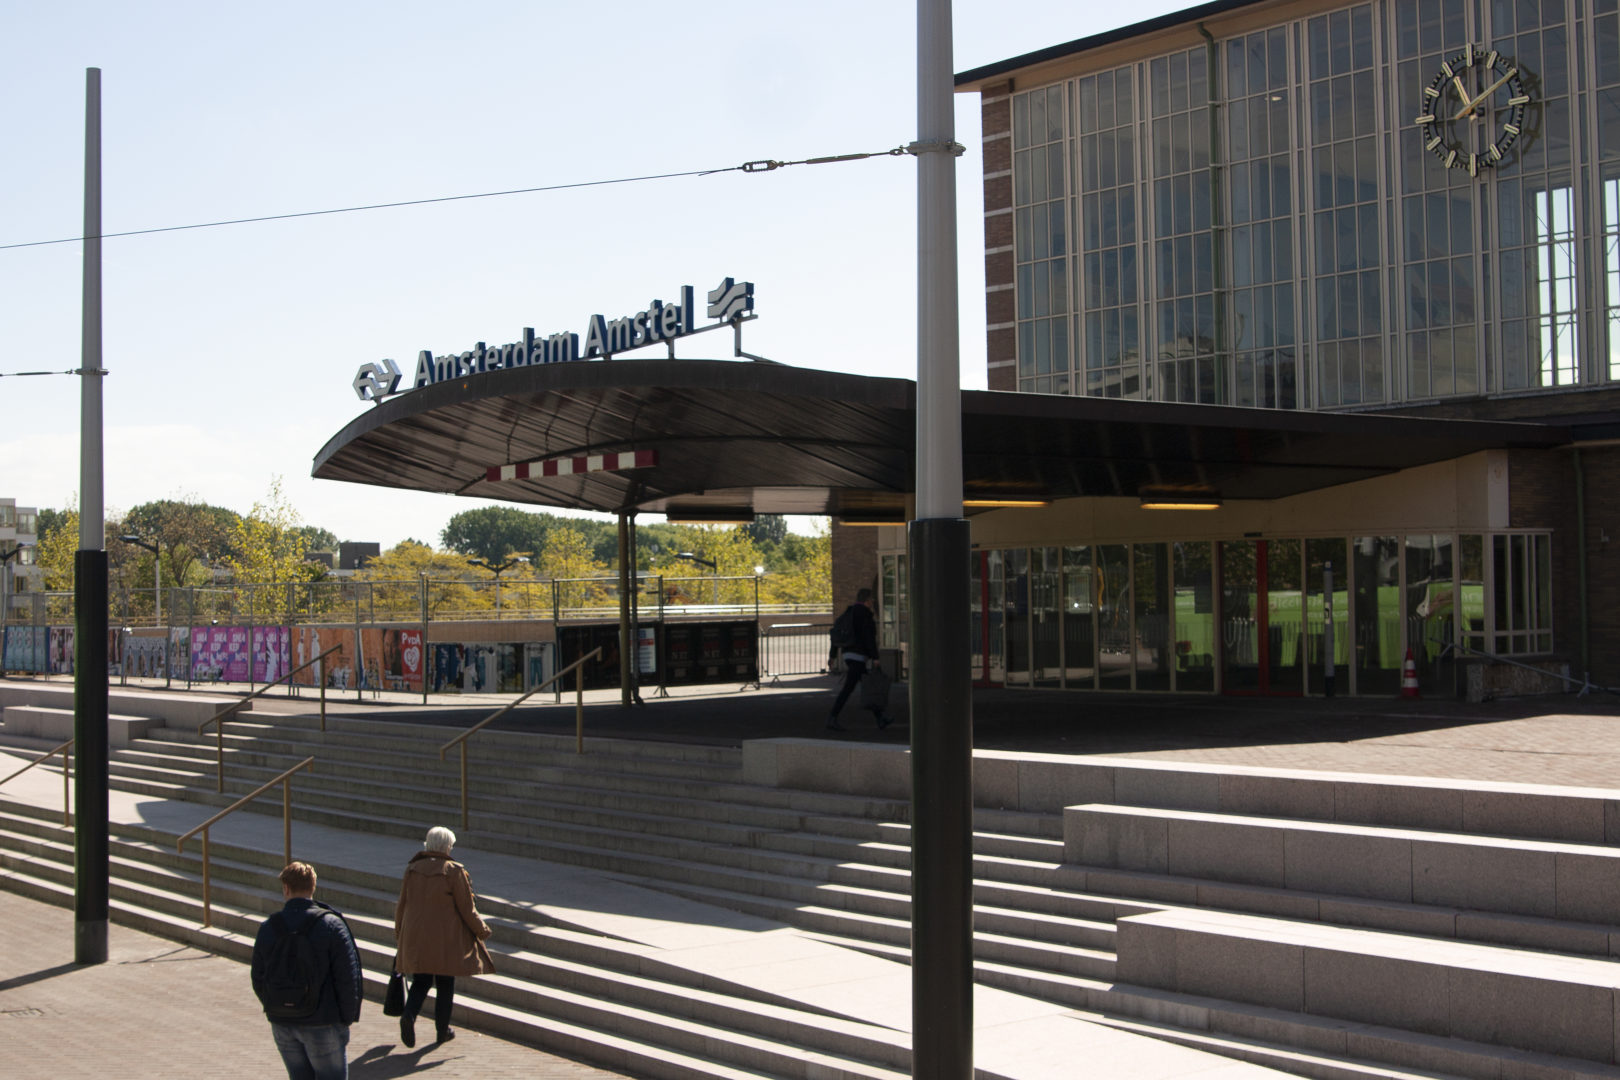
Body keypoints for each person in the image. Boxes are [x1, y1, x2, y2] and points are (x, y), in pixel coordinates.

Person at [250, 862, 362, 1080]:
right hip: (324, 1020)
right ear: (313, 887)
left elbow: (258, 976)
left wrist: (275, 1006)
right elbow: (348, 977)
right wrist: (345, 1019)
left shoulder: (269, 927)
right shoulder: (331, 925)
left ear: (285, 888)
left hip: (283, 1021)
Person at [394, 825, 495, 1048]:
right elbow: (467, 909)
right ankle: (442, 1030)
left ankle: (409, 1015)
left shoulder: (412, 869)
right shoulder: (453, 871)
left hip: (417, 936)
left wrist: (399, 931)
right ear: (446, 846)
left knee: (421, 981)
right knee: (445, 983)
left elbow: (402, 904)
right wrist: (482, 930)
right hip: (444, 940)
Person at [827, 587, 892, 732]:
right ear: (867, 600)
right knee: (850, 688)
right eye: (872, 599)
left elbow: (836, 634)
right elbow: (869, 638)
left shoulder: (848, 613)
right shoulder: (865, 615)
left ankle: (880, 717)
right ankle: (832, 717)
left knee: (867, 686)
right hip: (858, 655)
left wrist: (832, 655)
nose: (873, 602)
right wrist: (875, 657)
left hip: (848, 654)